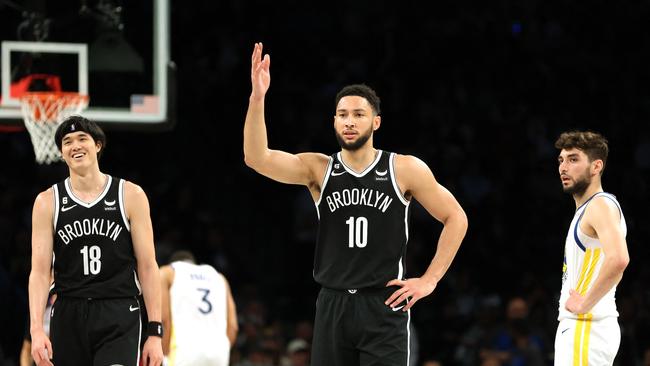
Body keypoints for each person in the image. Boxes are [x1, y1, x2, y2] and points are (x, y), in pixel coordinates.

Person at [243, 42, 468, 365]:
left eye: (359, 115)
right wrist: (257, 97)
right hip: (333, 303)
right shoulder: (319, 168)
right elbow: (256, 158)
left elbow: (456, 218)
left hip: (383, 304)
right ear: (334, 122)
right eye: (343, 115)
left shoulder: (403, 168)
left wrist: (429, 280)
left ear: (376, 122)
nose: (349, 121)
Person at [28, 115, 164, 366]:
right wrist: (36, 329)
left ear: (98, 145)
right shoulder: (47, 201)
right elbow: (39, 272)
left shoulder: (130, 195)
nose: (75, 145)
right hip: (69, 312)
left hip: (119, 312)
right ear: (61, 153)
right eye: (67, 142)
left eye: (82, 139)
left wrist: (155, 331)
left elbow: (147, 266)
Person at [554, 130, 630, 365]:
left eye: (573, 159)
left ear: (596, 166)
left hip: (586, 327)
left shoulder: (599, 205)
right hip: (583, 329)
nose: (563, 167)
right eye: (561, 160)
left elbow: (619, 259)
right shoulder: (589, 208)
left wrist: (584, 303)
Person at [160, 250, 238, 366]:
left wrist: (165, 355)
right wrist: (222, 350)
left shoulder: (168, 272)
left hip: (184, 352)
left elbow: (164, 319)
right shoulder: (220, 278)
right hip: (218, 353)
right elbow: (233, 326)